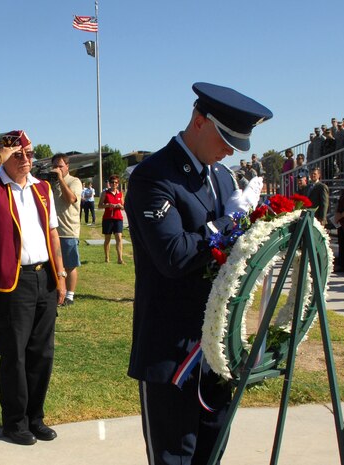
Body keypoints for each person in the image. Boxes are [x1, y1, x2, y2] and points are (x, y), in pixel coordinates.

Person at [125, 82, 272, 465]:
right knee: (175, 457)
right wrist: (232, 220)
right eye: (225, 139)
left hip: (214, 350)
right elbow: (173, 256)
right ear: (199, 122)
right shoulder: (153, 176)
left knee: (212, 452)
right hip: (172, 351)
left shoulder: (220, 176)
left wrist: (255, 220)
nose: (229, 150)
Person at [0, 130, 66, 446]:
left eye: (30, 153)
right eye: (18, 154)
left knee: (42, 353)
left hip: (43, 278)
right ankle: (15, 421)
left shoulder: (42, 189)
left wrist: (60, 274)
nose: (26, 159)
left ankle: (36, 417)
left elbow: (53, 234)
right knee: (15, 355)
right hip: (12, 283)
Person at [50, 154, 82, 306]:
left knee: (69, 265)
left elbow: (70, 199)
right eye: (55, 166)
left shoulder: (74, 181)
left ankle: (70, 295)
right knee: (54, 265)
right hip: (53, 230)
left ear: (67, 166)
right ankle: (55, 292)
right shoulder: (51, 183)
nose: (57, 169)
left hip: (68, 230)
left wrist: (61, 179)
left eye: (60, 166)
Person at [99, 174, 125, 264]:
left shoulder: (120, 193)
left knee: (119, 237)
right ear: (109, 183)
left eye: (116, 182)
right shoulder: (105, 193)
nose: (114, 184)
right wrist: (108, 205)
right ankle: (107, 257)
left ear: (118, 184)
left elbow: (123, 207)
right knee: (107, 239)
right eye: (112, 182)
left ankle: (120, 259)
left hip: (118, 218)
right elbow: (99, 205)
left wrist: (120, 206)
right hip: (108, 218)